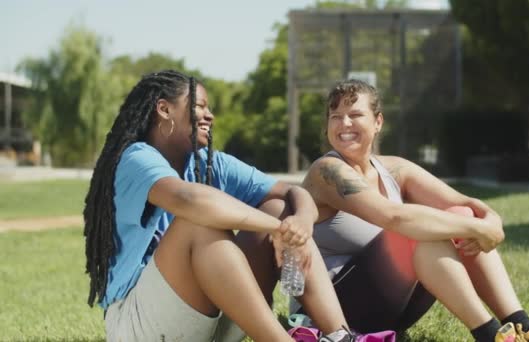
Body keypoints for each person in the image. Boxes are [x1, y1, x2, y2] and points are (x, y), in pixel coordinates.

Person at [83, 70, 358, 342]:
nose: (210, 115)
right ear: (164, 109)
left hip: (209, 321)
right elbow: (191, 201)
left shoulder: (209, 162)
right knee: (198, 222)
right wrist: (278, 228)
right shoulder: (136, 157)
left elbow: (292, 192)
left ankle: (341, 336)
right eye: (199, 106)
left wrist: (301, 223)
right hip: (139, 325)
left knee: (279, 207)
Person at [298, 79, 529, 342]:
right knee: (417, 231)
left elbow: (467, 206)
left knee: (460, 216)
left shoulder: (395, 169)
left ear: (378, 122)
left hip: (393, 307)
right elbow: (394, 217)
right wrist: (479, 229)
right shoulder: (326, 171)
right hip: (334, 311)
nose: (344, 124)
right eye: (335, 117)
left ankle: (522, 325)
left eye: (355, 115)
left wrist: (492, 220)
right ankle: (490, 336)